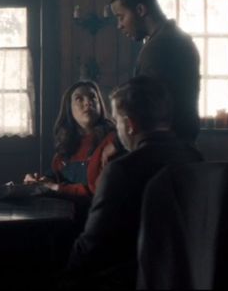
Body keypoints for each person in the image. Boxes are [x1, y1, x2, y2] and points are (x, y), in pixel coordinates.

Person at [64, 76, 203, 289]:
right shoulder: (194, 158)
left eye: (117, 121)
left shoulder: (121, 170)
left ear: (129, 125)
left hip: (132, 278)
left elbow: (92, 246)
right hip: (190, 275)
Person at [110, 0, 200, 143]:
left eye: (121, 17)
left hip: (164, 148)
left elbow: (147, 107)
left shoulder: (160, 47)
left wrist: (116, 145)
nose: (119, 25)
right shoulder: (177, 39)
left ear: (140, 10)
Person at [24, 80, 117, 200]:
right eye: (79, 99)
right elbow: (55, 176)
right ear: (69, 109)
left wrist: (56, 187)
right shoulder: (65, 147)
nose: (88, 103)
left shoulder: (113, 141)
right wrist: (39, 181)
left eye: (93, 97)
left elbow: (98, 191)